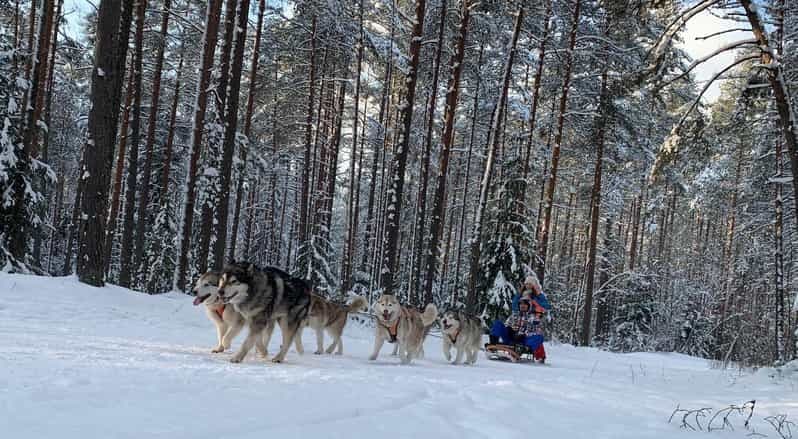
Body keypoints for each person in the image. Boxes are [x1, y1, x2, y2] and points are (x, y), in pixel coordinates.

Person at [489, 298, 546, 362]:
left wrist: (524, 334)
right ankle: (493, 343)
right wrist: (509, 329)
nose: (522, 306)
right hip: (510, 338)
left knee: (539, 337)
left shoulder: (533, 318)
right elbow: (505, 325)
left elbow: (537, 331)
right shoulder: (513, 316)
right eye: (521, 304)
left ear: (528, 306)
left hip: (523, 341)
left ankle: (520, 349)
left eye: (525, 304)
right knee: (498, 323)